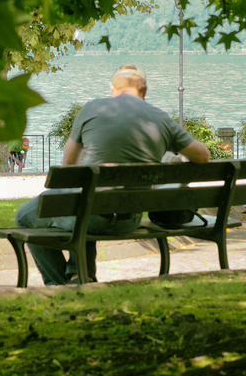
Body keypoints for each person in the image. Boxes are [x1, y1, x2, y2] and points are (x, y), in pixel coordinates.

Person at [15, 66, 210, 285]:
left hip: (90, 215)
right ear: (144, 91)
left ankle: (62, 283)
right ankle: (81, 276)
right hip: (130, 220)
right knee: (84, 206)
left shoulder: (91, 110)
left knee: (26, 216)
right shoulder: (161, 119)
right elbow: (203, 156)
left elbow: (69, 165)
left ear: (112, 89)